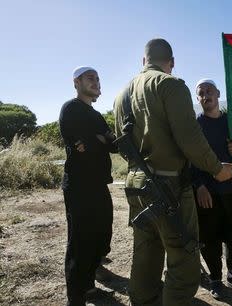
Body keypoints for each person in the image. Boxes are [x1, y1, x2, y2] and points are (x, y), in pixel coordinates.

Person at [113, 38, 232, 306]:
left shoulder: (121, 94)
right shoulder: (171, 85)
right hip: (168, 186)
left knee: (146, 253)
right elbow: (190, 139)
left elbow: (121, 144)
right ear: (171, 63)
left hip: (135, 183)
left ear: (143, 61)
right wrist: (217, 169)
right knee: (184, 262)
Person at [192, 79, 232, 299]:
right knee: (209, 239)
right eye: (201, 93)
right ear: (198, 98)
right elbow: (189, 160)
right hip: (208, 194)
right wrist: (199, 186)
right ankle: (216, 280)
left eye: (209, 91)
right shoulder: (195, 126)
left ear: (218, 93)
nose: (205, 95)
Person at [59, 66, 116, 305]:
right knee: (80, 239)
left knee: (101, 234)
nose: (96, 82)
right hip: (79, 186)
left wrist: (100, 140)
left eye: (98, 78)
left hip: (98, 184)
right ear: (77, 82)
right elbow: (82, 146)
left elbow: (113, 145)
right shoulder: (71, 109)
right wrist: (99, 140)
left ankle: (89, 286)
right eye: (90, 78)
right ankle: (76, 296)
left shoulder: (95, 114)